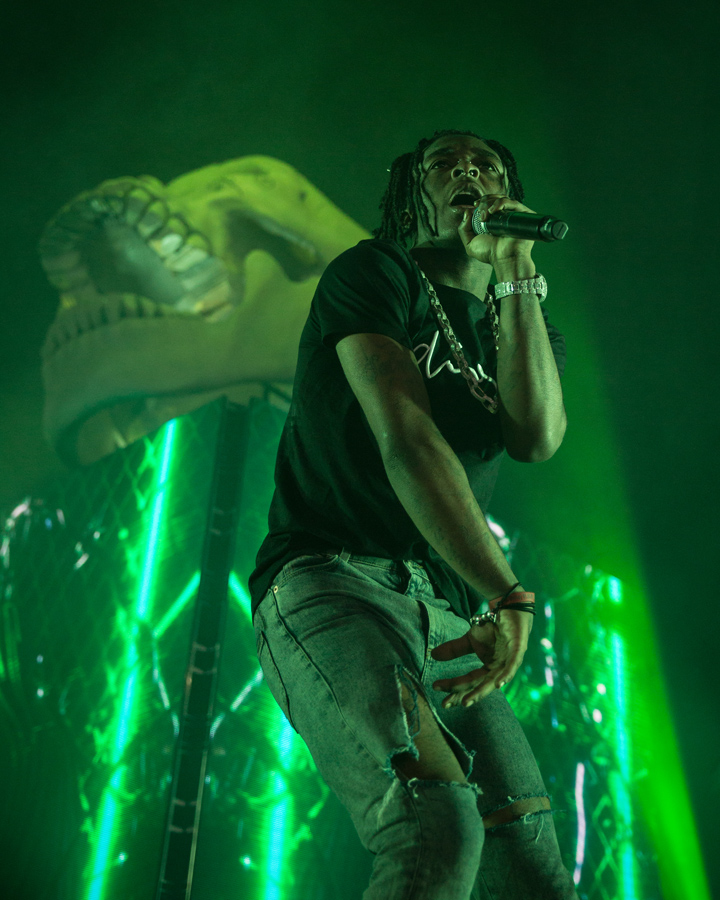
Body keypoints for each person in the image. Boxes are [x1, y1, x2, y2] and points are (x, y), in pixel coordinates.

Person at [249, 129, 579, 899]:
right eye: (444, 164)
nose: (469, 171)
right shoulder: (376, 273)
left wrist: (516, 267)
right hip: (333, 583)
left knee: (531, 865)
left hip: (446, 614)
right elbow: (406, 435)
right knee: (438, 822)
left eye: (488, 165)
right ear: (413, 196)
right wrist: (507, 589)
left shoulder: (524, 329)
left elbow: (537, 436)